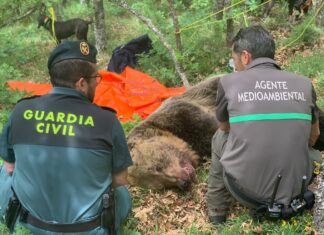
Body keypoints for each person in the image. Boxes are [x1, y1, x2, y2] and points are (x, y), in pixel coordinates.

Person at [0, 40, 133, 234]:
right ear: (81, 83)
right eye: (95, 78)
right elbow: (120, 180)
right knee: (122, 195)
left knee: (4, 175)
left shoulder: (21, 110)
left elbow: (10, 167)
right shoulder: (107, 121)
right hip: (90, 229)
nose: (97, 83)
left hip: (31, 223)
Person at [206, 25, 322, 225]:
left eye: (233, 60)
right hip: (299, 188)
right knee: (307, 147)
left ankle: (217, 211)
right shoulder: (303, 83)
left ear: (245, 56)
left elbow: (225, 128)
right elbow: (314, 135)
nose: (234, 65)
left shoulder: (228, 83)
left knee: (219, 138)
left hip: (247, 193)